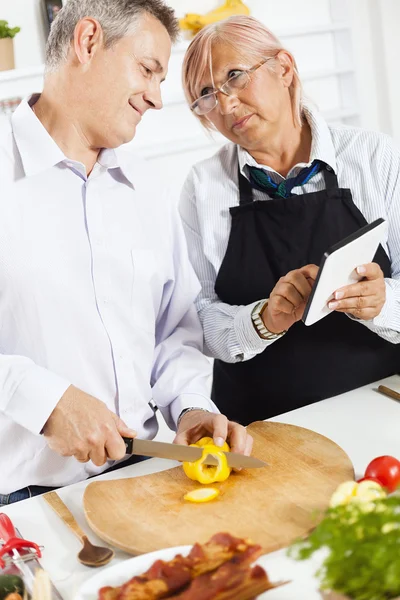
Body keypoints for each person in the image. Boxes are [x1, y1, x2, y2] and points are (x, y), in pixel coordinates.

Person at [0, 0, 253, 505]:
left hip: (143, 478)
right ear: (88, 42)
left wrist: (190, 409)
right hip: (20, 501)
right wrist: (45, 402)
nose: (157, 98)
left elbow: (169, 335)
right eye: (148, 70)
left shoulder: (147, 189)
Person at [179, 15, 400, 426]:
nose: (225, 105)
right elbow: (197, 319)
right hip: (259, 427)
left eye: (235, 77)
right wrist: (261, 321)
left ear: (284, 67)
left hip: (377, 408)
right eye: (206, 95)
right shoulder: (203, 187)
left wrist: (384, 303)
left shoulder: (374, 157)